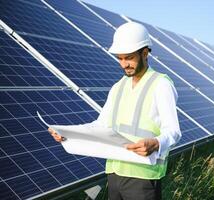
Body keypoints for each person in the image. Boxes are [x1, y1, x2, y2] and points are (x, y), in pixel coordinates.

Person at [49, 21, 181, 200]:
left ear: (144, 53)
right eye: (120, 58)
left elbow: (173, 131)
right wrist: (68, 134)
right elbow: (100, 124)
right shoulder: (117, 87)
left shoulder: (161, 84)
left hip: (143, 175)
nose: (124, 64)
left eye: (129, 58)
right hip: (114, 172)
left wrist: (156, 143)